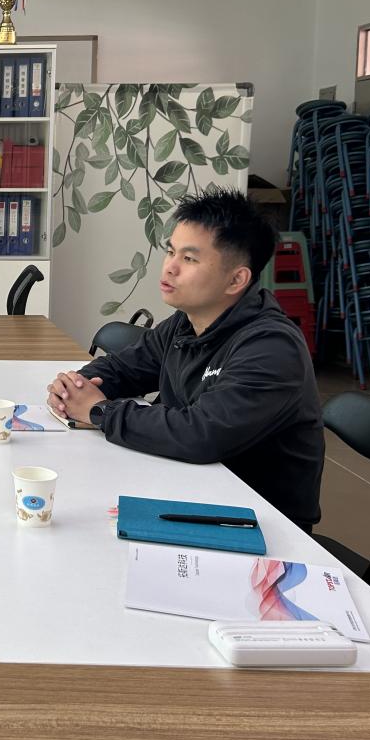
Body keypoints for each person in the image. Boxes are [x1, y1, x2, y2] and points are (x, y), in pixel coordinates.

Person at [46, 188, 324, 529]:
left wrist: (99, 411)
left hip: (258, 521)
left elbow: (201, 434)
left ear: (236, 279)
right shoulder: (187, 321)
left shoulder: (272, 347)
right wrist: (76, 386)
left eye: (189, 259)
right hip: (188, 486)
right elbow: (125, 366)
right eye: (170, 251)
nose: (170, 267)